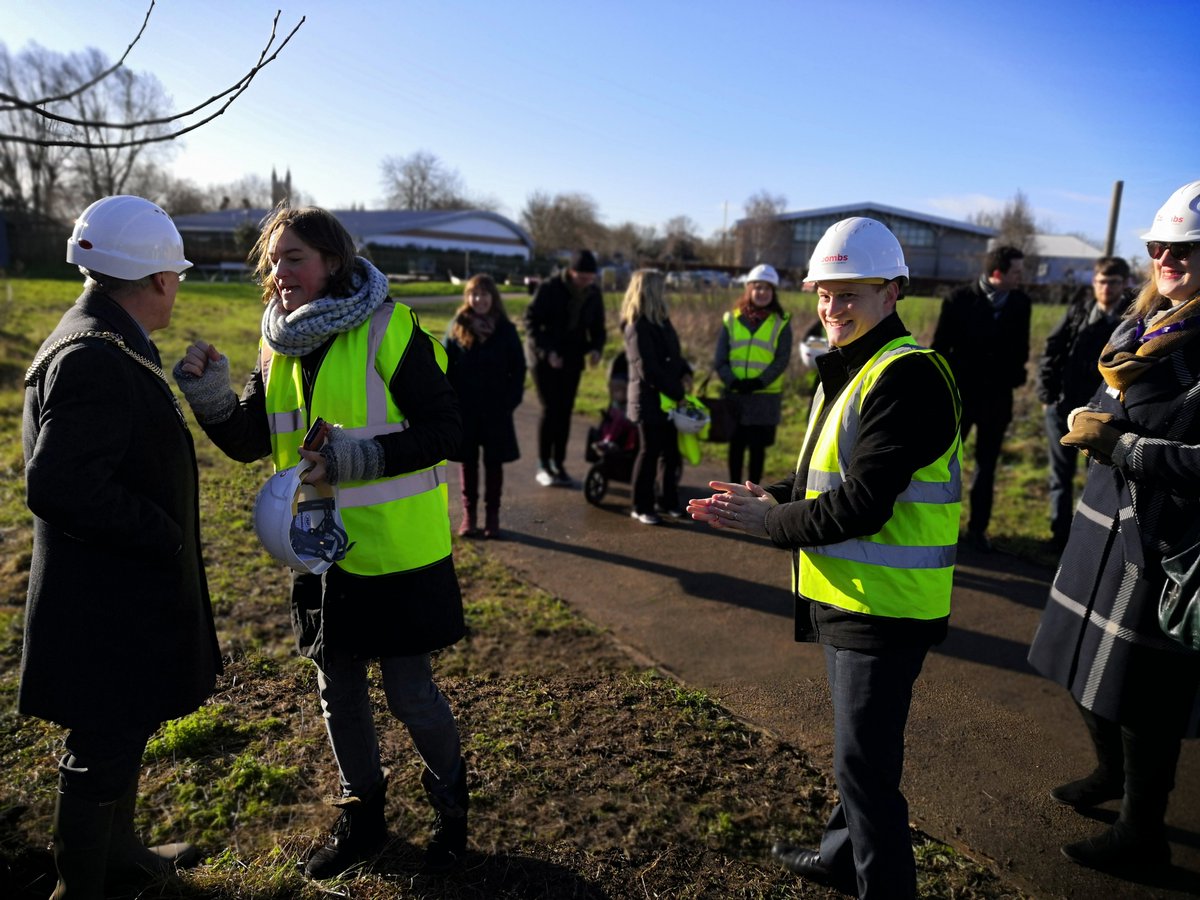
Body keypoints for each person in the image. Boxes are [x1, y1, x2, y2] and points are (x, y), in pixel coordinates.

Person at [171, 205, 469, 877]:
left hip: (397, 553)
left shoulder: (391, 327)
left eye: (293, 258)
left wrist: (358, 460)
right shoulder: (277, 340)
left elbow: (447, 430)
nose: (278, 274)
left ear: (332, 261)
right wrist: (210, 395)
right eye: (273, 262)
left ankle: (452, 810)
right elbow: (253, 439)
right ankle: (362, 818)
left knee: (410, 694)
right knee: (338, 689)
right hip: (317, 552)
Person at [689, 218, 961, 898]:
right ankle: (842, 858)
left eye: (851, 294)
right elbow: (825, 473)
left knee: (867, 772)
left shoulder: (905, 377)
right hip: (846, 594)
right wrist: (773, 492)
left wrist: (768, 520)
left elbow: (864, 504)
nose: (833, 308)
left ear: (892, 293)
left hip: (884, 608)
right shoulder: (853, 367)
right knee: (854, 757)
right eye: (824, 293)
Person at [21, 195, 222, 896]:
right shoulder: (96, 358)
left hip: (108, 592)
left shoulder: (98, 333)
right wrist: (160, 532)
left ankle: (118, 854)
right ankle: (80, 885)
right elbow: (59, 483)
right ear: (162, 280)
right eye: (179, 276)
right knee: (101, 745)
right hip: (105, 600)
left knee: (118, 732)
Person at [1027, 180, 1200, 878]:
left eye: (1186, 248)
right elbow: (1108, 407)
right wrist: (1083, 423)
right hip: (1102, 527)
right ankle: (1110, 774)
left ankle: (1143, 832)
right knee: (1079, 663)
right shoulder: (1141, 326)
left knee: (1144, 697)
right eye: (1159, 246)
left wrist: (1122, 448)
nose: (1167, 257)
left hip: (1163, 540)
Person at [932, 245, 1031, 551]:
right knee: (943, 465)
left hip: (997, 400)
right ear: (998, 273)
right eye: (1016, 271)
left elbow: (1021, 349)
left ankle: (978, 531)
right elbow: (940, 349)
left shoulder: (1020, 303)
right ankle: (938, 528)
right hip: (959, 398)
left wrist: (1014, 376)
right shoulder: (958, 300)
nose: (1021, 277)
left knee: (986, 467)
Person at [1036, 256, 1134, 551]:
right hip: (1064, 408)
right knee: (1060, 476)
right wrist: (1047, 397)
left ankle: (1091, 543)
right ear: (1094, 283)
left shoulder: (1132, 321)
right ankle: (1059, 537)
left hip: (1107, 415)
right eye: (1101, 281)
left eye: (1113, 282)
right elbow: (1051, 352)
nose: (1106, 288)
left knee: (1101, 479)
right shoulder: (1078, 313)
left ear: (1124, 283)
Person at [444, 273, 526, 539]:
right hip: (466, 409)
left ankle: (493, 516)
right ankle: (470, 516)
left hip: (496, 410)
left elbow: (519, 368)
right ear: (467, 297)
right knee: (468, 463)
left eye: (484, 294)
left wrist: (510, 402)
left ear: (493, 298)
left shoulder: (505, 329)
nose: (479, 299)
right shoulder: (458, 327)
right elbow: (445, 367)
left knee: (494, 463)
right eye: (474, 294)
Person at [522, 249, 606, 487]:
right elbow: (530, 321)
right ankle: (543, 463)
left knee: (566, 410)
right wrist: (547, 352)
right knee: (550, 409)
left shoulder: (593, 294)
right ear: (571, 272)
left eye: (590, 278)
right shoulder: (549, 288)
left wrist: (596, 348)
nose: (586, 283)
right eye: (582, 278)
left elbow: (598, 327)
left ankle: (559, 463)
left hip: (572, 357)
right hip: (543, 357)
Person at [714, 263, 793, 485]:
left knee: (757, 450)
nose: (762, 293)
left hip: (764, 397)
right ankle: (731, 490)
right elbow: (720, 359)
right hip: (735, 394)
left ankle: (752, 494)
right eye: (757, 287)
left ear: (773, 292)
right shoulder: (731, 319)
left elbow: (782, 359)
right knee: (735, 446)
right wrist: (733, 381)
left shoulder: (781, 322)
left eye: (767, 288)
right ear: (749, 289)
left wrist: (759, 381)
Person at [622, 269, 688, 525]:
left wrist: (685, 371)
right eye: (662, 288)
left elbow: (675, 354)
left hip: (668, 399)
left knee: (670, 453)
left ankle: (668, 501)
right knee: (649, 452)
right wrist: (678, 392)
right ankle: (641, 505)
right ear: (650, 291)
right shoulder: (638, 325)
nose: (666, 293)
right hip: (648, 400)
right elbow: (648, 369)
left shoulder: (662, 321)